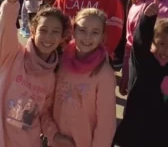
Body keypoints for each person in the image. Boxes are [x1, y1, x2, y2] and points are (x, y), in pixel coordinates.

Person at [0, 0, 70, 146]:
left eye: (55, 32)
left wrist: (55, 136)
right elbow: (3, 29)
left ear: (62, 37)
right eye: (43, 30)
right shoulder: (12, 57)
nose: (48, 37)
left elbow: (44, 114)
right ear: (33, 31)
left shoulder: (53, 75)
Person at [113, 3, 168, 147]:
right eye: (161, 43)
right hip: (135, 132)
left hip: (160, 135)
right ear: (152, 41)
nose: (165, 51)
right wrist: (147, 20)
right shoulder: (144, 62)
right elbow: (140, 43)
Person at [43, 9, 117, 147]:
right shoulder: (60, 62)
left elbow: (106, 125)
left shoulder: (104, 74)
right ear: (73, 31)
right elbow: (46, 106)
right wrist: (54, 135)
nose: (88, 37)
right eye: (82, 30)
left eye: (95, 32)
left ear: (102, 36)